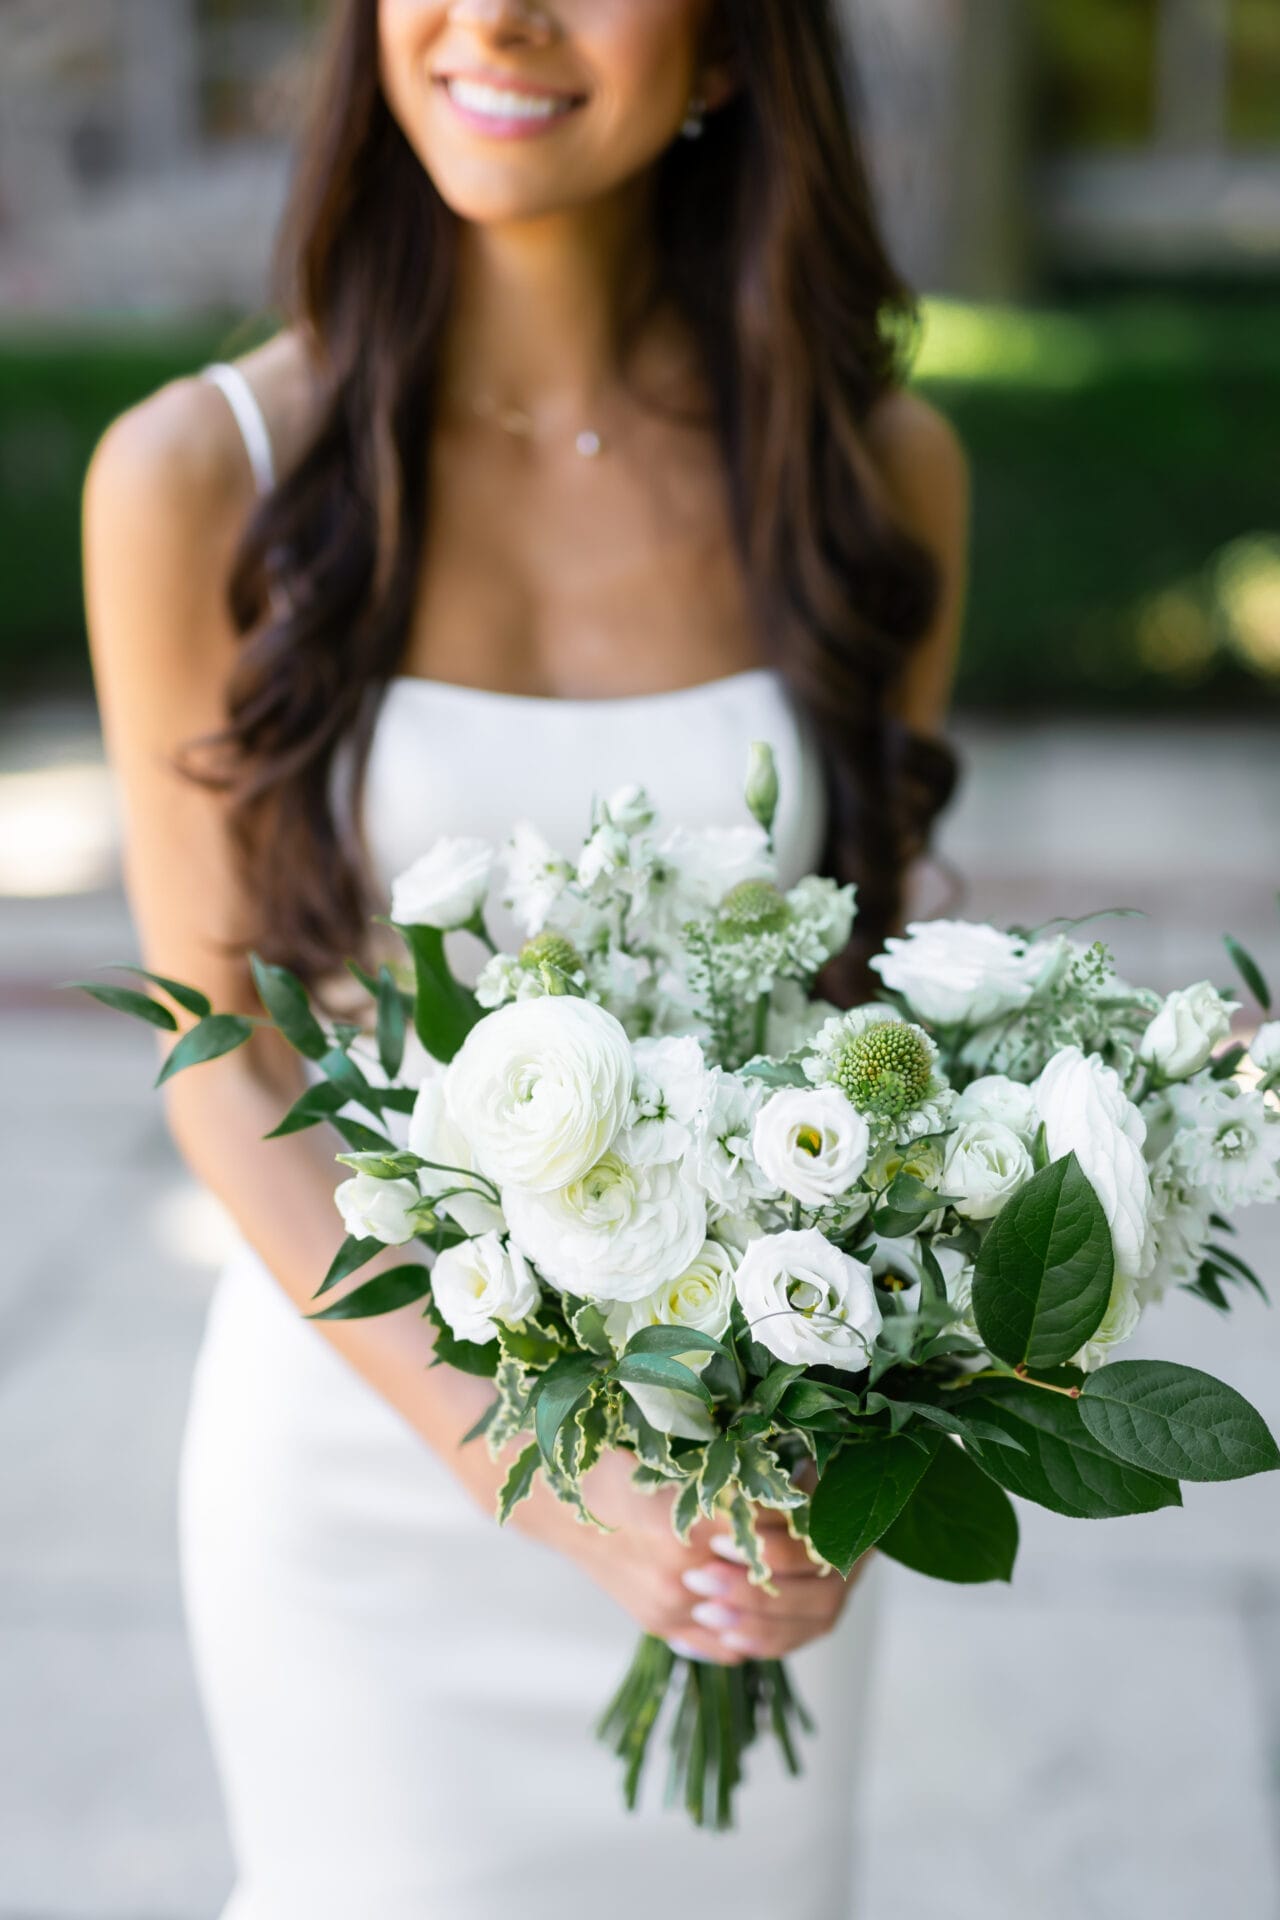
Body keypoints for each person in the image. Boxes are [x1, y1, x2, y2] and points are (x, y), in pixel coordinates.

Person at [82, 2, 969, 1913]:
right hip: (367, 1461)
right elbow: (217, 1039)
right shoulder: (193, 476)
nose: (498, 19)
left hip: (750, 1477)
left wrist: (855, 1450)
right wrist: (537, 1473)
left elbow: (877, 1020)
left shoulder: (877, 474)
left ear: (731, 49)